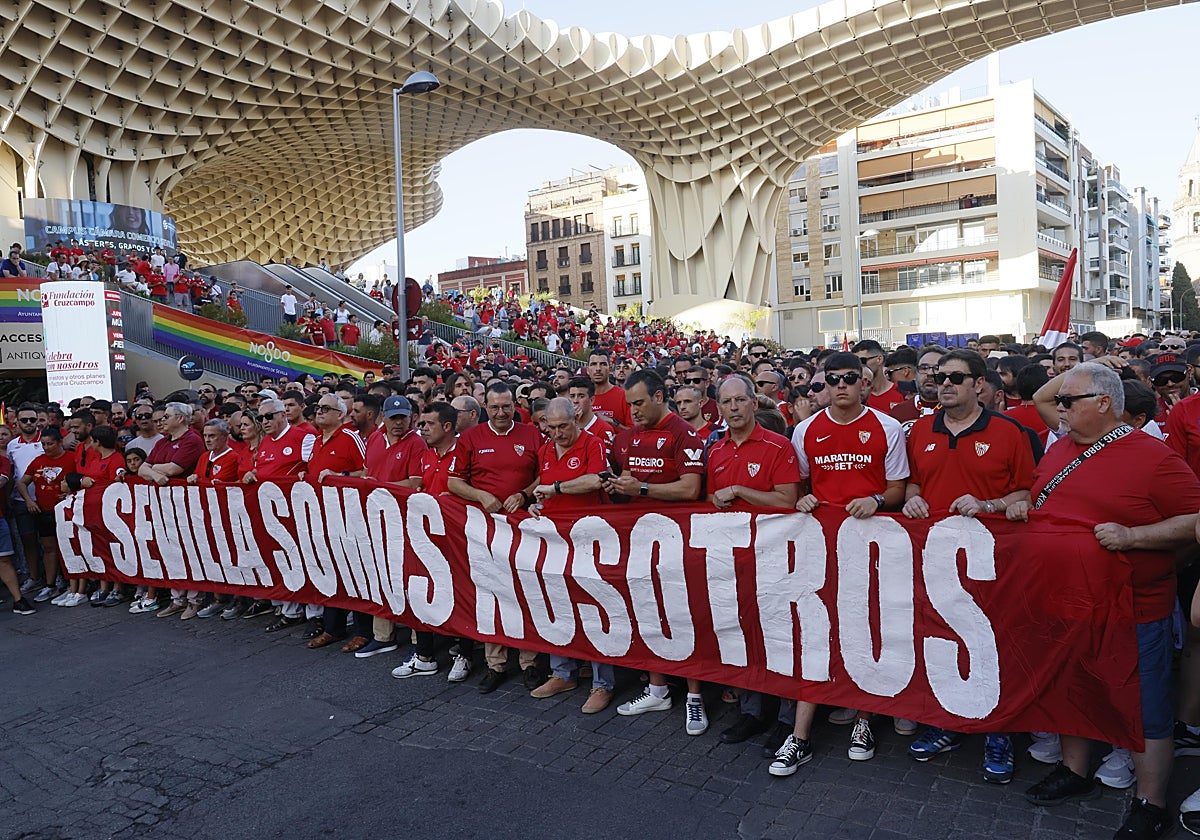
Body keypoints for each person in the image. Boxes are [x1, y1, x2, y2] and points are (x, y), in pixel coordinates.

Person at [1011, 362, 1200, 840]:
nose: (1059, 407)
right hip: (1065, 600)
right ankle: (1074, 771)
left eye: (1069, 401)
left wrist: (1135, 537)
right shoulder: (1061, 446)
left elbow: (1195, 519)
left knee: (1144, 704)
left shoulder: (1153, 457)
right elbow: (1042, 497)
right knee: (1071, 687)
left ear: (1103, 403)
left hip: (1132, 604)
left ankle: (1150, 803)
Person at [900, 349, 1039, 784]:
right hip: (936, 560)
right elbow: (913, 483)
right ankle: (947, 723)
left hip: (993, 563)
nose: (944, 383)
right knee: (942, 639)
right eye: (940, 376)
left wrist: (988, 504)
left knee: (997, 645)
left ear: (979, 384)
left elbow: (1028, 494)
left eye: (955, 377)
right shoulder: (920, 430)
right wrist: (912, 500)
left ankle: (1000, 733)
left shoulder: (1010, 432)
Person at [791, 351, 910, 760]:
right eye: (832, 379)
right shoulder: (805, 430)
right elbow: (799, 485)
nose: (840, 385)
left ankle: (865, 717)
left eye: (848, 378)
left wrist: (876, 500)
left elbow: (898, 488)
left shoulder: (887, 427)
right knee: (824, 626)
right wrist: (803, 500)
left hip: (874, 545)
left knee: (870, 625)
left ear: (864, 382)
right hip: (823, 546)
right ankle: (827, 708)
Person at [700, 375, 803, 768]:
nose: (734, 407)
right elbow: (711, 499)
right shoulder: (716, 449)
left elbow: (787, 500)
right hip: (732, 560)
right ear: (719, 408)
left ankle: (786, 719)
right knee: (741, 633)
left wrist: (742, 491)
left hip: (776, 560)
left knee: (782, 638)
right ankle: (752, 711)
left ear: (754, 403)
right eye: (726, 402)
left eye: (740, 400)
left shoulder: (778, 445)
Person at [604, 369, 707, 734]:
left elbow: (690, 489)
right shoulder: (629, 436)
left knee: (684, 617)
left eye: (639, 403)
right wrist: (617, 487)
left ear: (660, 397)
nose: (633, 411)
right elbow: (626, 481)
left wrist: (642, 489)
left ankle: (695, 697)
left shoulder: (684, 434)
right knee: (647, 612)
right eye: (629, 404)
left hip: (678, 542)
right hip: (640, 540)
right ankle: (657, 689)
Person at [446, 383, 543, 694]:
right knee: (492, 594)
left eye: (506, 406)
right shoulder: (470, 438)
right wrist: (481, 495)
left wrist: (524, 494)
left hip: (524, 528)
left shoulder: (531, 434)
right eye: (495, 407)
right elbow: (453, 482)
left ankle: (529, 663)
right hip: (484, 530)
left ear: (515, 405)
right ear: (484, 408)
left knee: (526, 592)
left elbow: (545, 473)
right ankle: (495, 664)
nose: (501, 413)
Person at [525, 398, 611, 712]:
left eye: (564, 426)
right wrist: (537, 505)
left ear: (576, 418)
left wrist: (556, 489)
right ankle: (563, 673)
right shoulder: (546, 449)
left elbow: (596, 479)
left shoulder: (592, 443)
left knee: (595, 610)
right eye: (552, 427)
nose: (558, 433)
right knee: (558, 604)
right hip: (556, 541)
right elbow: (545, 489)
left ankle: (602, 683)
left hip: (589, 539)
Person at [134, 402, 205, 617]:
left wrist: (153, 468)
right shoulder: (163, 441)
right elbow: (141, 469)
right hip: (164, 505)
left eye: (166, 416)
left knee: (190, 551)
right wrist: (156, 475)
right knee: (171, 551)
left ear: (181, 418)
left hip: (186, 505)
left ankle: (194, 599)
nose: (162, 421)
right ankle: (177, 597)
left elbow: (175, 469)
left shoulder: (192, 440)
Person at [16, 427, 74, 604]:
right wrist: (29, 501)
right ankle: (50, 584)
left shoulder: (71, 458)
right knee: (49, 548)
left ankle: (72, 584)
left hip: (66, 511)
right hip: (44, 512)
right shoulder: (38, 461)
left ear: (59, 442)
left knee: (69, 547)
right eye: (43, 444)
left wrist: (72, 493)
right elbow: (22, 483)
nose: (47, 448)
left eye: (50, 444)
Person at [854, 339, 905, 412]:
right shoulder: (855, 395)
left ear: (879, 359)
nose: (860, 366)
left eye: (863, 361)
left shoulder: (902, 392)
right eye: (856, 362)